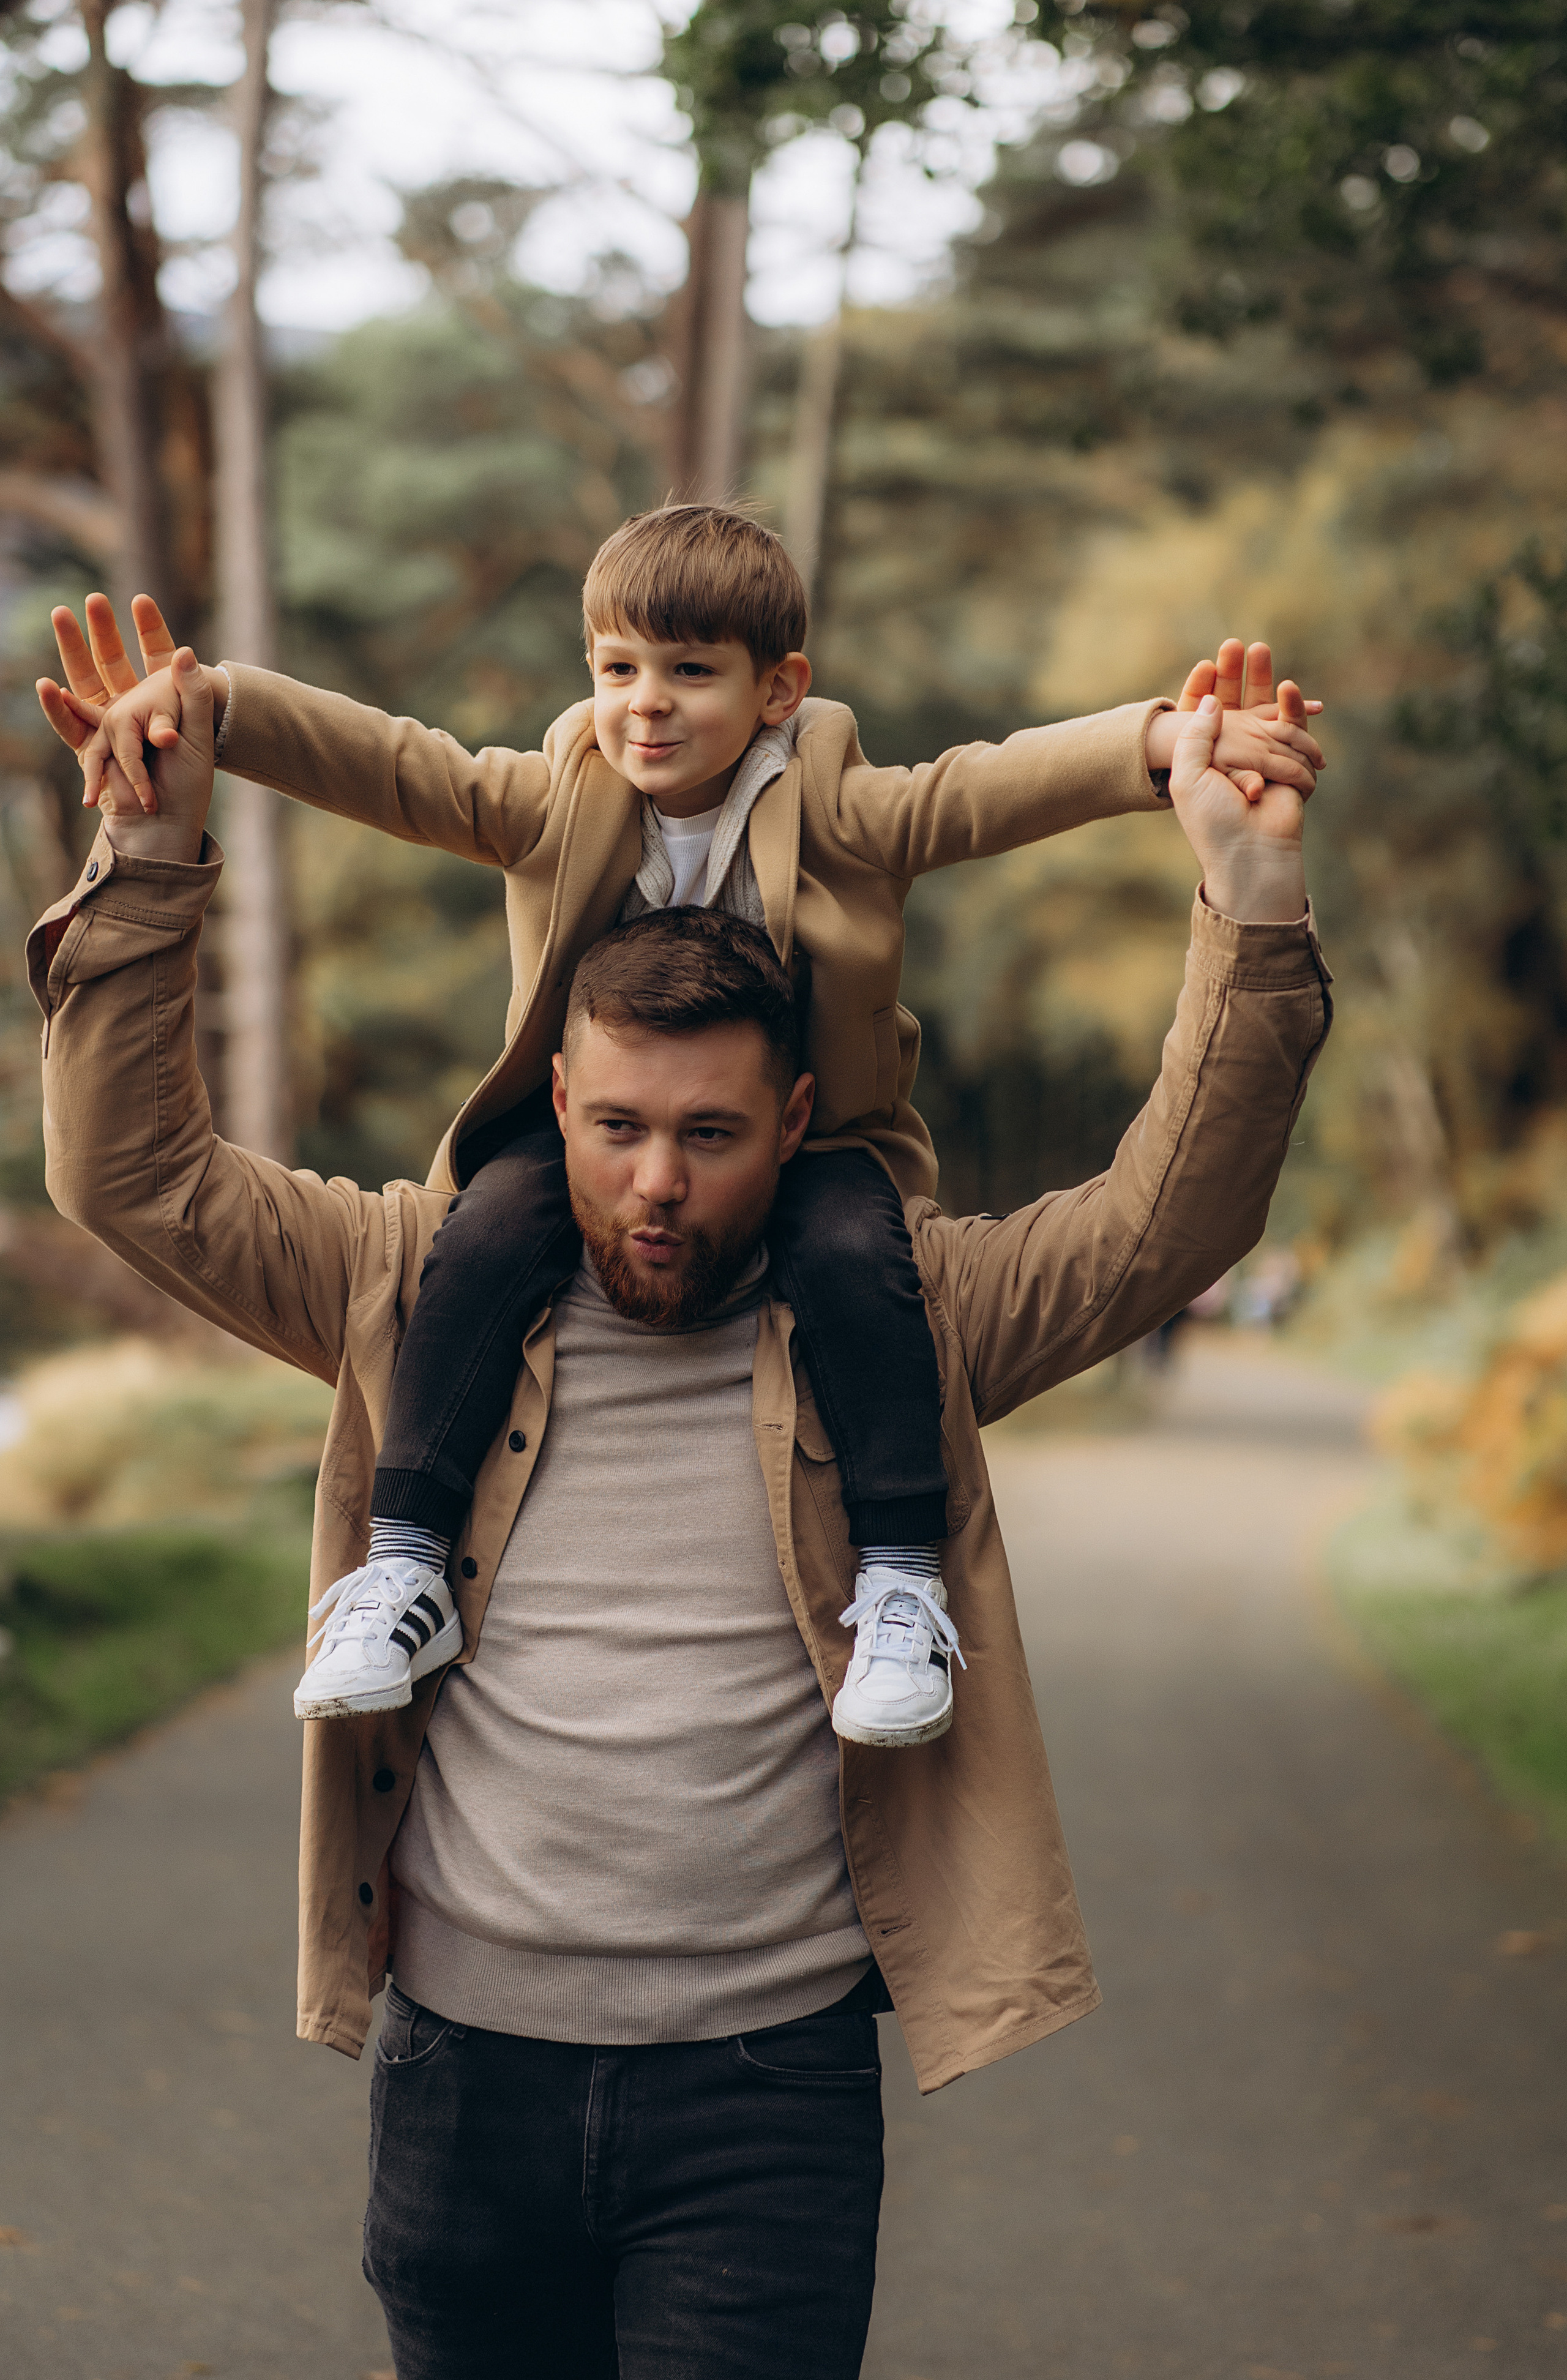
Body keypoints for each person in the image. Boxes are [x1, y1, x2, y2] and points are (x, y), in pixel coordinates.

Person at [28, 643, 1329, 2377]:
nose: (655, 1184)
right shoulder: (406, 1285)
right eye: (616, 1127)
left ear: (794, 1121)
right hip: (461, 2086)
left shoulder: (907, 1314)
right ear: (555, 1103)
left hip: (765, 2101)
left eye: (710, 1135)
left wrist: (1247, 907)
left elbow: (1176, 1218)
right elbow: (130, 1172)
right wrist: (149, 859)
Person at [39, 510, 1323, 1754]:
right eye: (617, 670)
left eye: (690, 673)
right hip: (543, 1171)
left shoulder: (836, 806)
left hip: (830, 1160)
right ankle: (408, 1561)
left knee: (849, 1251)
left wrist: (1162, 747)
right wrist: (219, 714)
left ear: (778, 690)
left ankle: (896, 1580)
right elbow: (396, 765)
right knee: (486, 1229)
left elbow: (979, 789)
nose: (645, 705)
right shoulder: (559, 802)